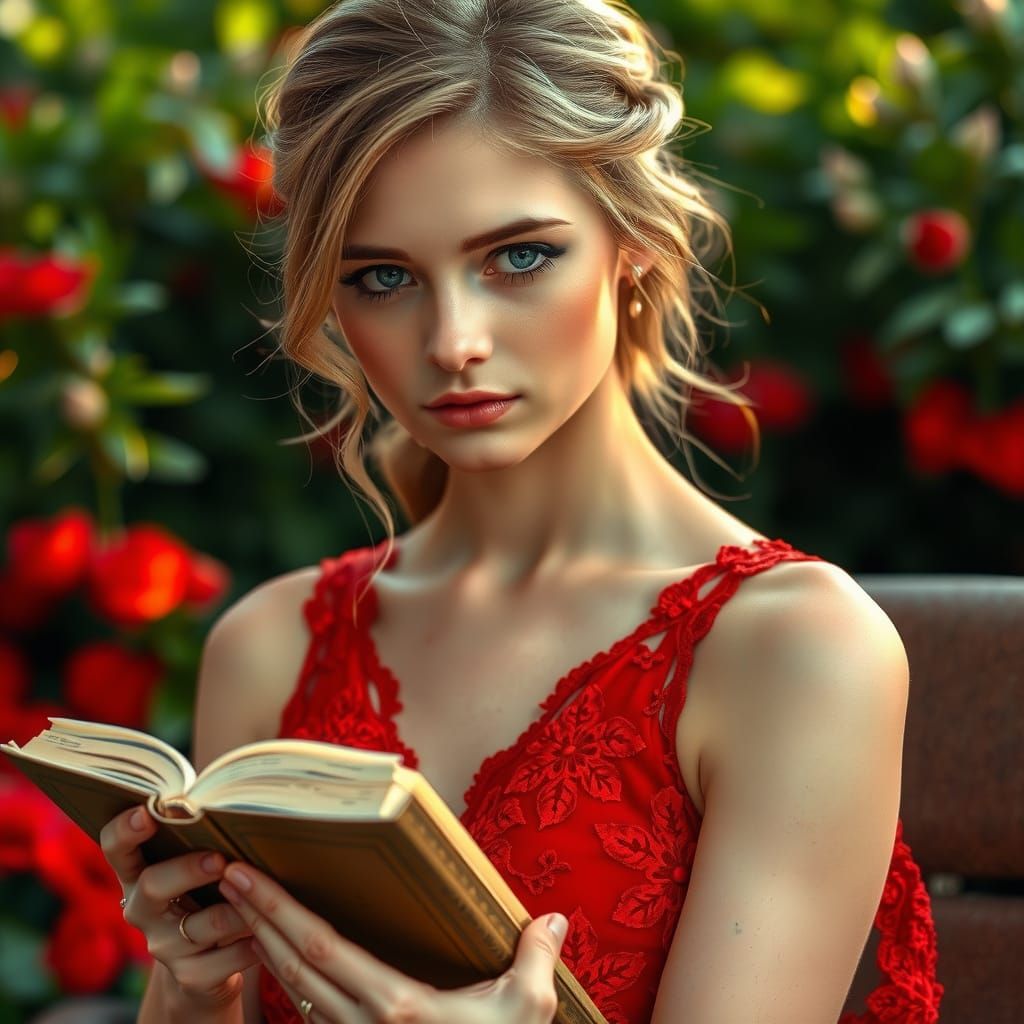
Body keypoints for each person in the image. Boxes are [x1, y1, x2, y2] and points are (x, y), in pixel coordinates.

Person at [98, 0, 943, 1021]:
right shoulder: (269, 648)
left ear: (629, 241)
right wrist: (193, 988)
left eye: (518, 256)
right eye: (382, 276)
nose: (453, 339)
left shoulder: (794, 650)